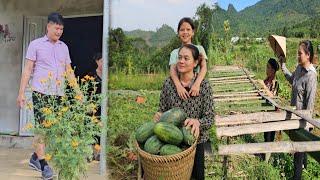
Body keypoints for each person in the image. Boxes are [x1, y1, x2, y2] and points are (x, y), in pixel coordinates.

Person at [16, 12, 78, 180]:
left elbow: (68, 70)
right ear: (48, 26)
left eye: (61, 29)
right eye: (56, 28)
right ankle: (44, 166)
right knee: (42, 129)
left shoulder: (64, 47)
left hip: (58, 94)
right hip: (41, 93)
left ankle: (35, 157)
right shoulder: (35, 45)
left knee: (53, 130)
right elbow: (27, 70)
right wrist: (21, 93)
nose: (59, 32)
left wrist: (77, 90)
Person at [155, 44, 214, 180]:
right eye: (179, 58)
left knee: (197, 177)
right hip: (172, 142)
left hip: (196, 141)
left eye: (186, 58)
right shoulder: (168, 84)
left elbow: (210, 118)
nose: (181, 61)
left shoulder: (204, 86)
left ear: (195, 63)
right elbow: (162, 110)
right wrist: (158, 116)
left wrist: (197, 122)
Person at [279, 40, 317, 180]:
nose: (297, 56)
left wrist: (306, 126)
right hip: (295, 116)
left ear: (308, 55)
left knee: (298, 151)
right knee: (299, 151)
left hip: (302, 119)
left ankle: (297, 176)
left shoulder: (311, 75)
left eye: (300, 53)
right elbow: (292, 80)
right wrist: (283, 65)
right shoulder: (299, 69)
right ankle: (304, 167)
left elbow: (310, 105)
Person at [169, 17, 208, 100]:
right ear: (178, 33)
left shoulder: (199, 49)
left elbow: (204, 67)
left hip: (197, 88)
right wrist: (179, 87)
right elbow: (173, 71)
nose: (185, 32)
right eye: (182, 30)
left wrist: (197, 84)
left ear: (193, 32)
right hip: (180, 88)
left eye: (188, 29)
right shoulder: (174, 53)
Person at [87, 52, 103, 161]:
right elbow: (88, 92)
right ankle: (92, 153)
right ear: (97, 62)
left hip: (105, 106)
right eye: (101, 61)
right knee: (93, 129)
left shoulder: (108, 75)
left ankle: (101, 153)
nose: (103, 63)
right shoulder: (92, 75)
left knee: (103, 130)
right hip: (95, 107)